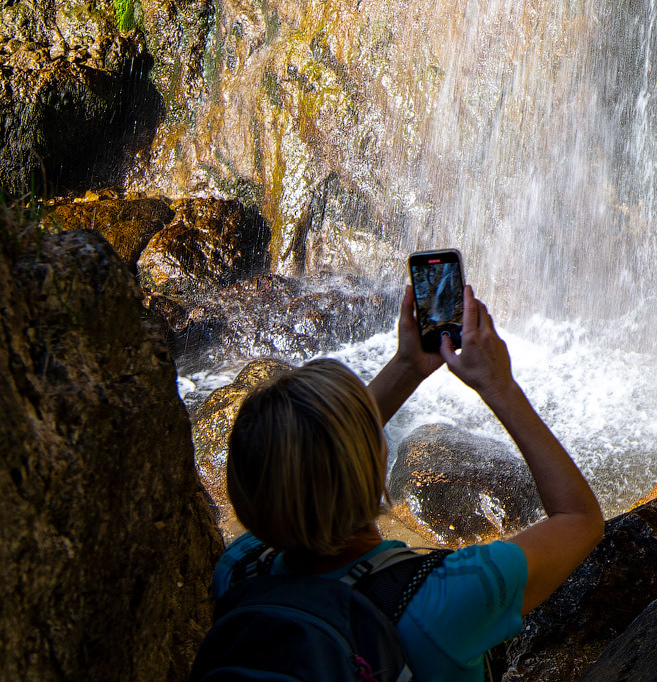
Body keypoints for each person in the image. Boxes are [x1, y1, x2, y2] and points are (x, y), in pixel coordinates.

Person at [203, 284, 604, 681]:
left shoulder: (240, 567)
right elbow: (579, 518)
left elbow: (317, 460)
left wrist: (408, 366)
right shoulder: (445, 600)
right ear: (376, 462)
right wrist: (500, 386)